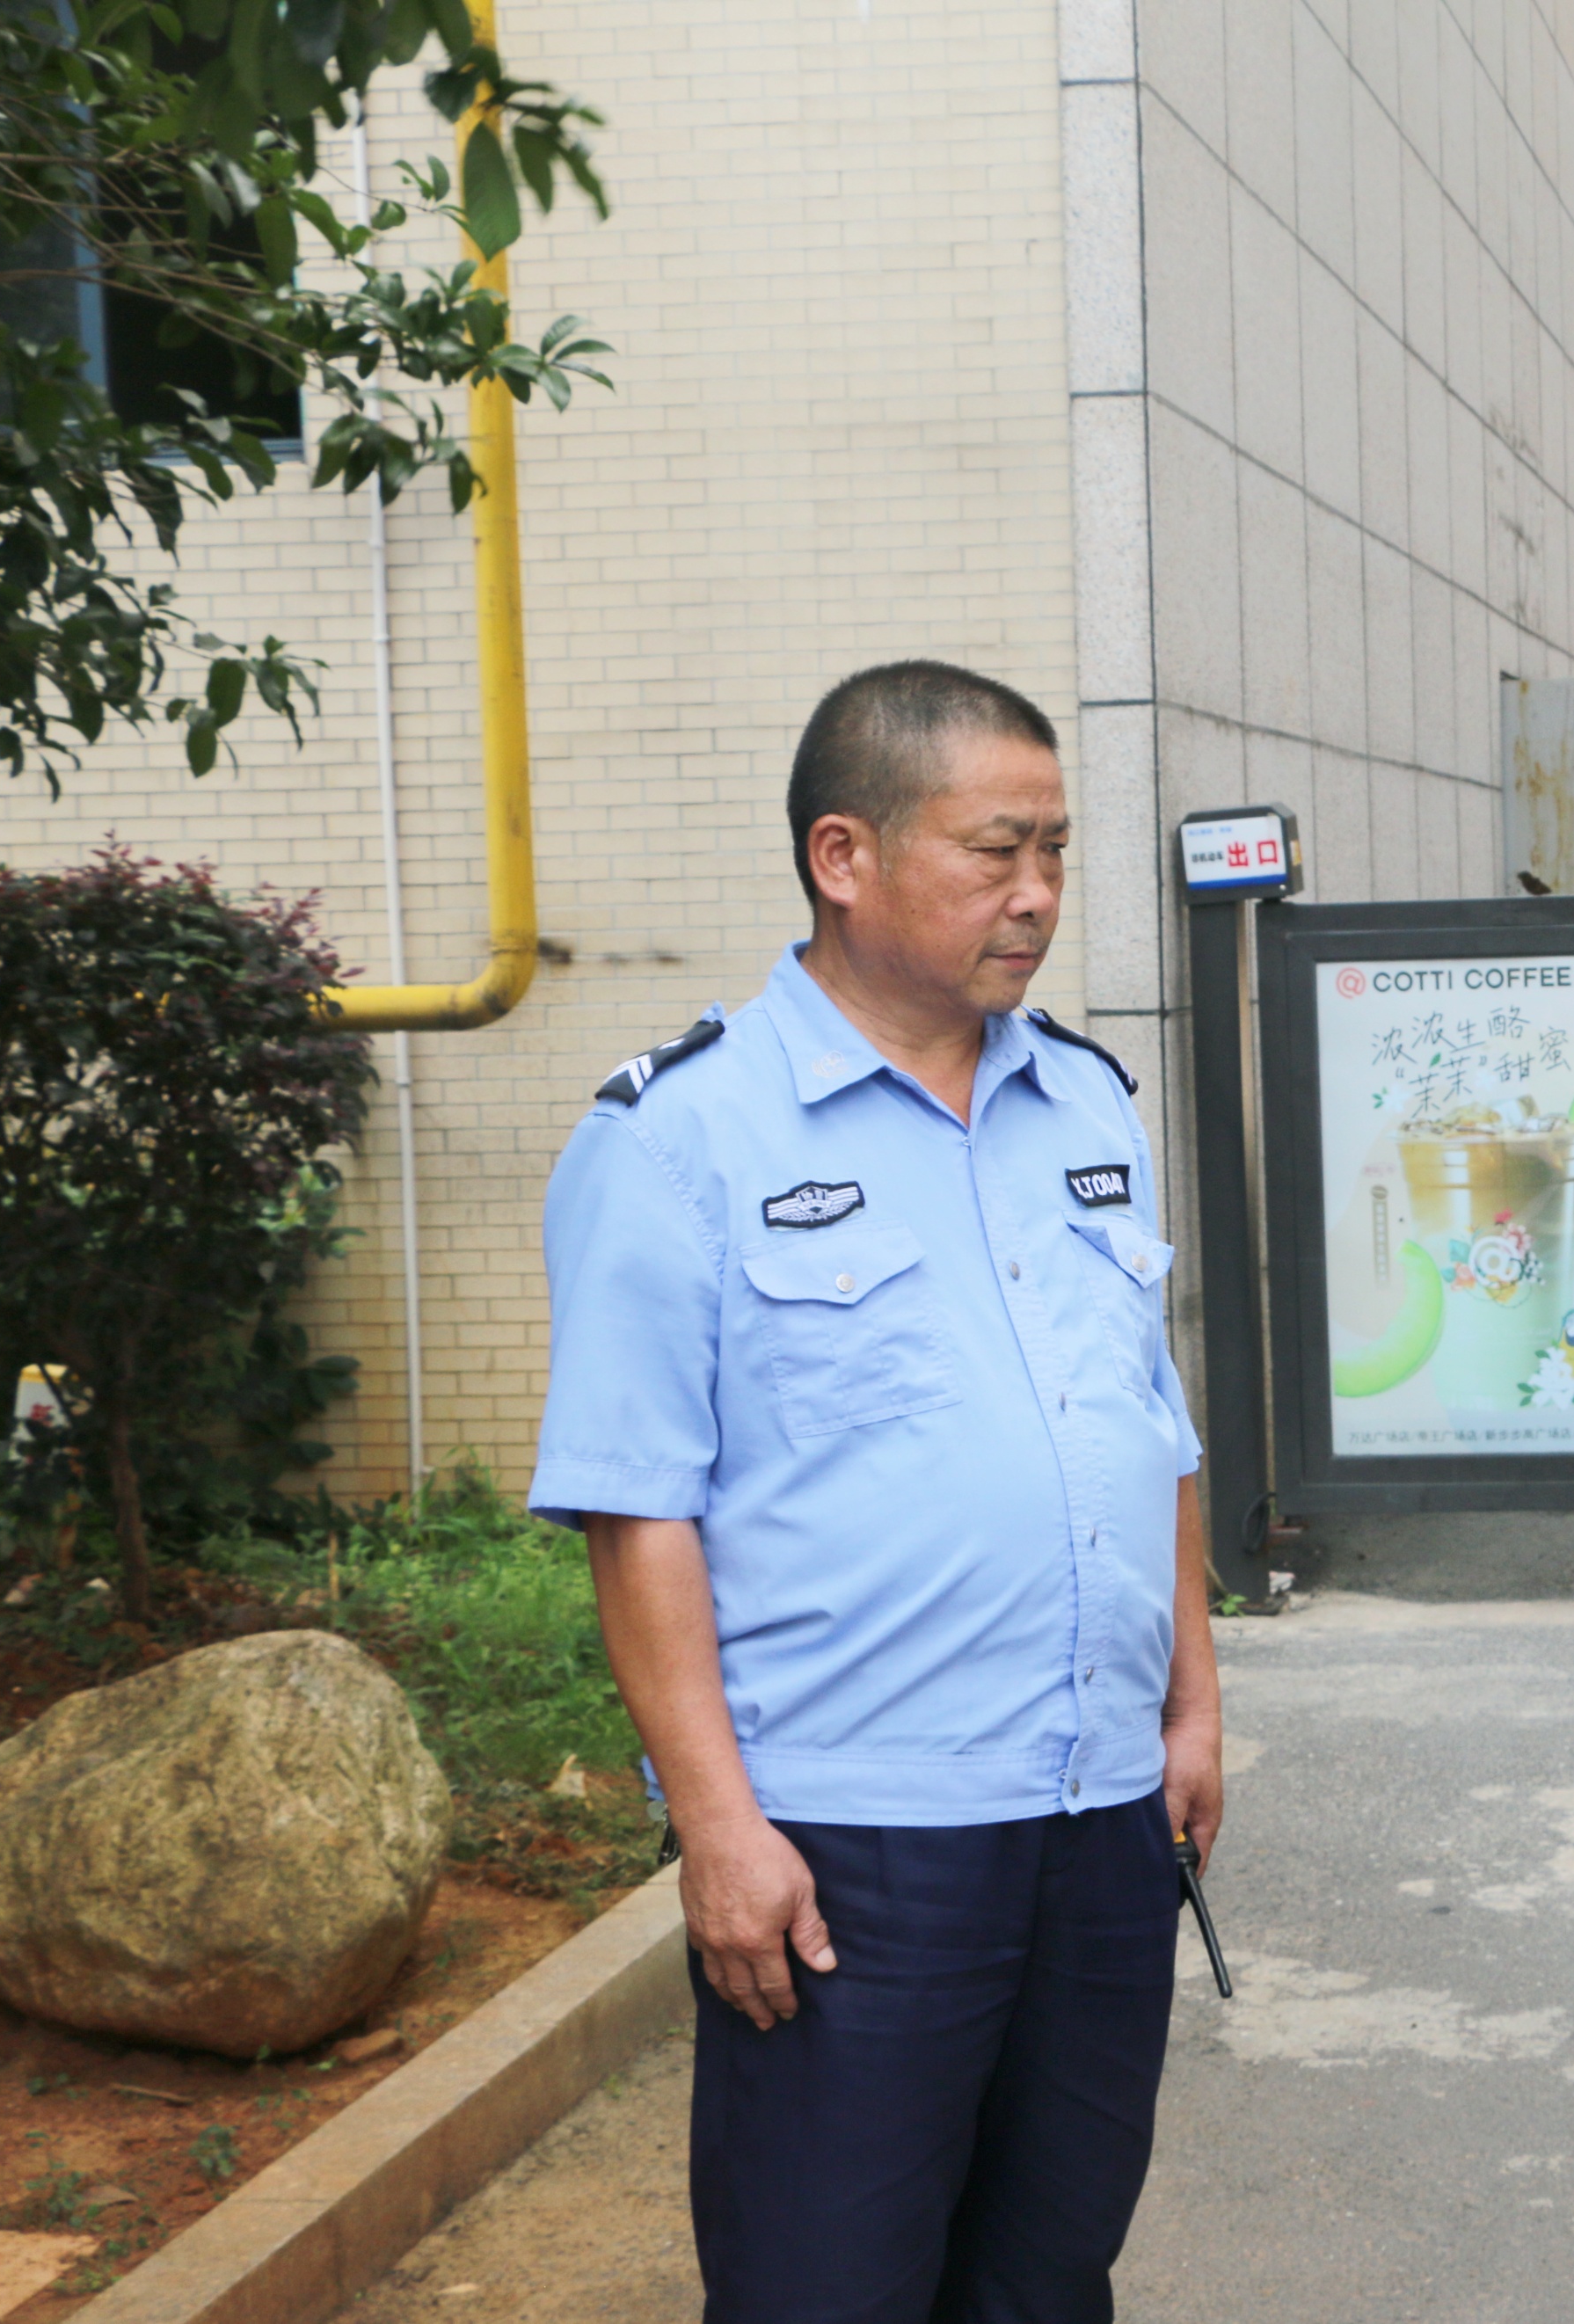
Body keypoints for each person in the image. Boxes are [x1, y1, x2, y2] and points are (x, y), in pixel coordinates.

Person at [529, 659, 1218, 2324]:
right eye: (996, 852)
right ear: (844, 856)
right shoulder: (678, 1139)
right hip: (858, 1846)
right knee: (824, 2287)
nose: (1038, 895)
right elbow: (640, 1512)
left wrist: (1191, 1705)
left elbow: (1149, 1424)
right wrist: (716, 1826)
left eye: (1055, 849)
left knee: (1049, 2276)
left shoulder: (1086, 1103)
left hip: (1098, 1815)